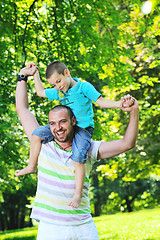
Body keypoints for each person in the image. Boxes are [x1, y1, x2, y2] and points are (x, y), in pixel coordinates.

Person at [16, 65, 139, 240]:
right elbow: (23, 109)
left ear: (73, 121)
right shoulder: (43, 145)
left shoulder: (87, 147)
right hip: (51, 229)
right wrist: (23, 76)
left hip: (84, 227)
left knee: (79, 156)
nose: (58, 128)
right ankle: (31, 167)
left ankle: (77, 194)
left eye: (63, 122)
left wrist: (133, 110)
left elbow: (128, 143)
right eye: (52, 124)